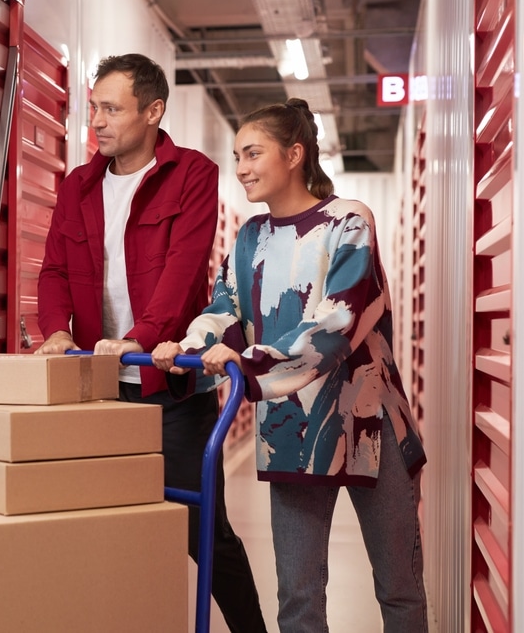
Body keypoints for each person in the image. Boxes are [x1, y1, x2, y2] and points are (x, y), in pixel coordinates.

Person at [151, 98, 429, 633]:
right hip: (291, 428)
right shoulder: (250, 236)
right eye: (237, 156)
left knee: (399, 589)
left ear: (294, 154)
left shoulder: (348, 222)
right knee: (298, 600)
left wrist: (248, 361)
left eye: (253, 153)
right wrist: (186, 348)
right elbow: (224, 308)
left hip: (370, 425)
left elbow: (337, 324)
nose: (241, 168)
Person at [35, 53, 267, 633]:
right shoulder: (78, 185)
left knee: (204, 533)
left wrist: (135, 339)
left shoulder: (191, 174)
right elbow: (54, 269)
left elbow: (183, 272)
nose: (97, 121)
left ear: (153, 110)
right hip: (97, 391)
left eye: (112, 109)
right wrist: (57, 329)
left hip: (169, 389)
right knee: (103, 529)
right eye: (94, 108)